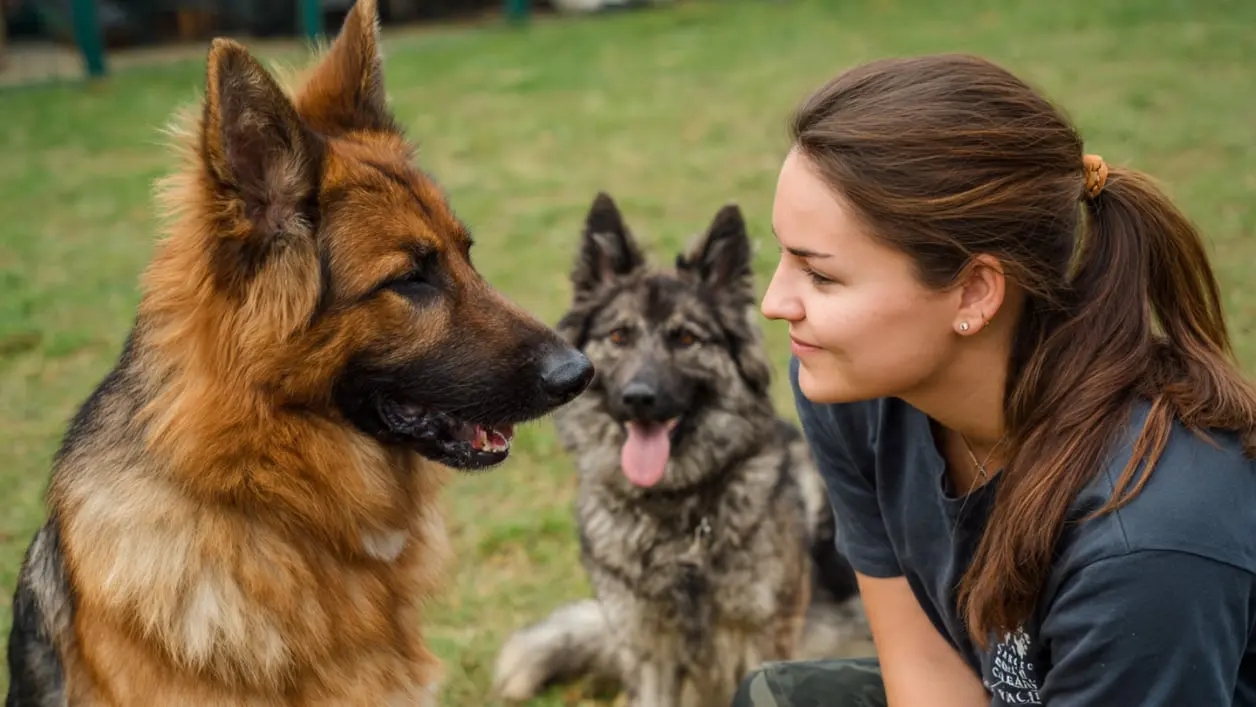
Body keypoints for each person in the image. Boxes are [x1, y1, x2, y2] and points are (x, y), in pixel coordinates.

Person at [733, 53, 1256, 707]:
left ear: (975, 291)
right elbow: (925, 668)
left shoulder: (1147, 540)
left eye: (822, 275)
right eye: (783, 255)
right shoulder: (855, 390)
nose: (775, 303)